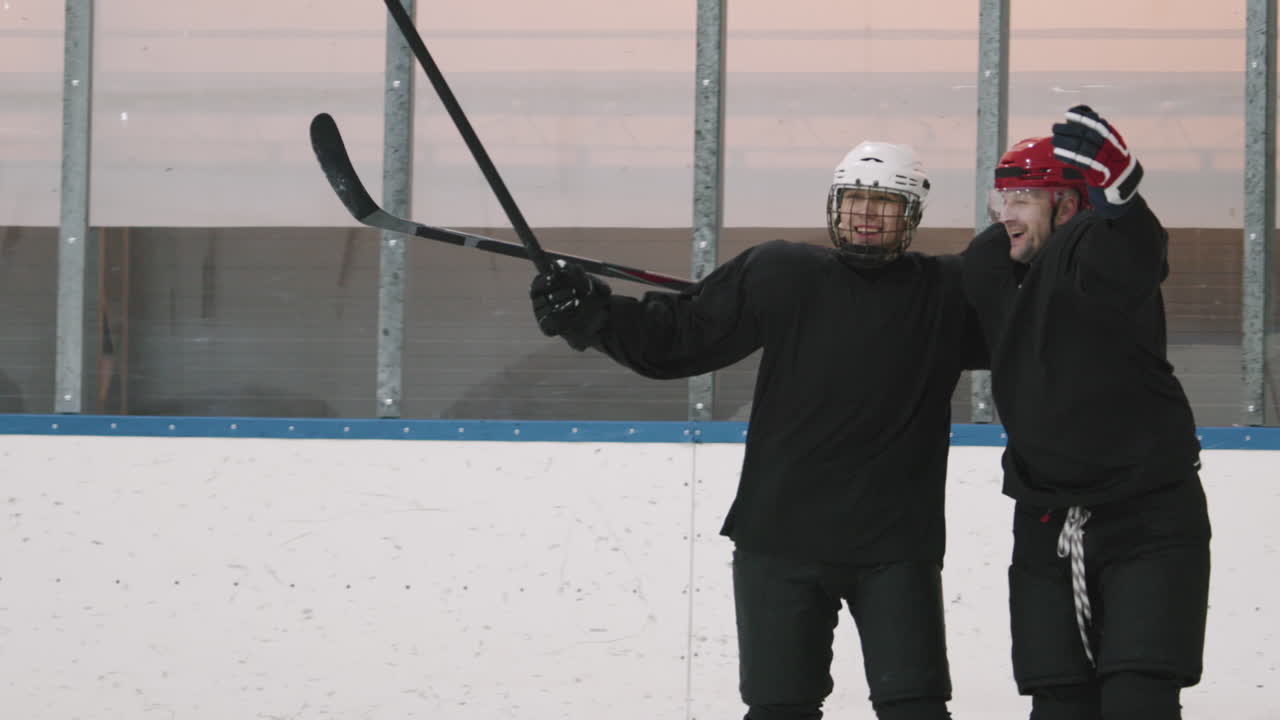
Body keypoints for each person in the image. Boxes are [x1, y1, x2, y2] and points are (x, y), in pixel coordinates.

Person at [530, 142, 986, 720]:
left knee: (915, 707)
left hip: (894, 547)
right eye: (855, 200)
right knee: (779, 709)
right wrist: (593, 314)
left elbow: (1036, 328)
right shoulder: (784, 272)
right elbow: (680, 335)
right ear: (834, 205)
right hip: (779, 541)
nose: (866, 214)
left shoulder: (946, 291)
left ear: (913, 214)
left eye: (884, 202)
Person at [962, 106, 1211, 720]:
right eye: (1001, 199)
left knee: (1138, 699)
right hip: (1047, 524)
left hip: (1148, 520)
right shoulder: (993, 265)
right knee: (1059, 706)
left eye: (1023, 198)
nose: (1004, 214)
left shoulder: (1092, 249)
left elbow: (1133, 253)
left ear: (1069, 205)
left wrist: (1122, 196)